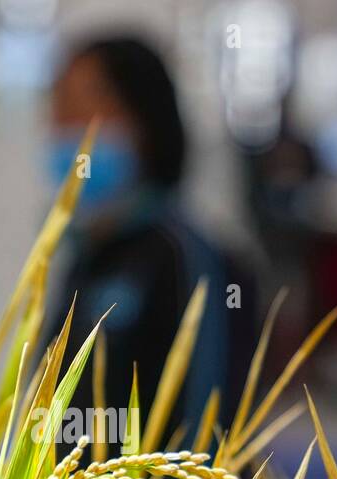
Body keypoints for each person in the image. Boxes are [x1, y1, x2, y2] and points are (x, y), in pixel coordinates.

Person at [41, 36, 255, 451]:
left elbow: (206, 428)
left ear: (140, 120)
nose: (61, 127)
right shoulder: (85, 255)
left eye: (80, 108)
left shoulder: (190, 259)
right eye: (58, 110)